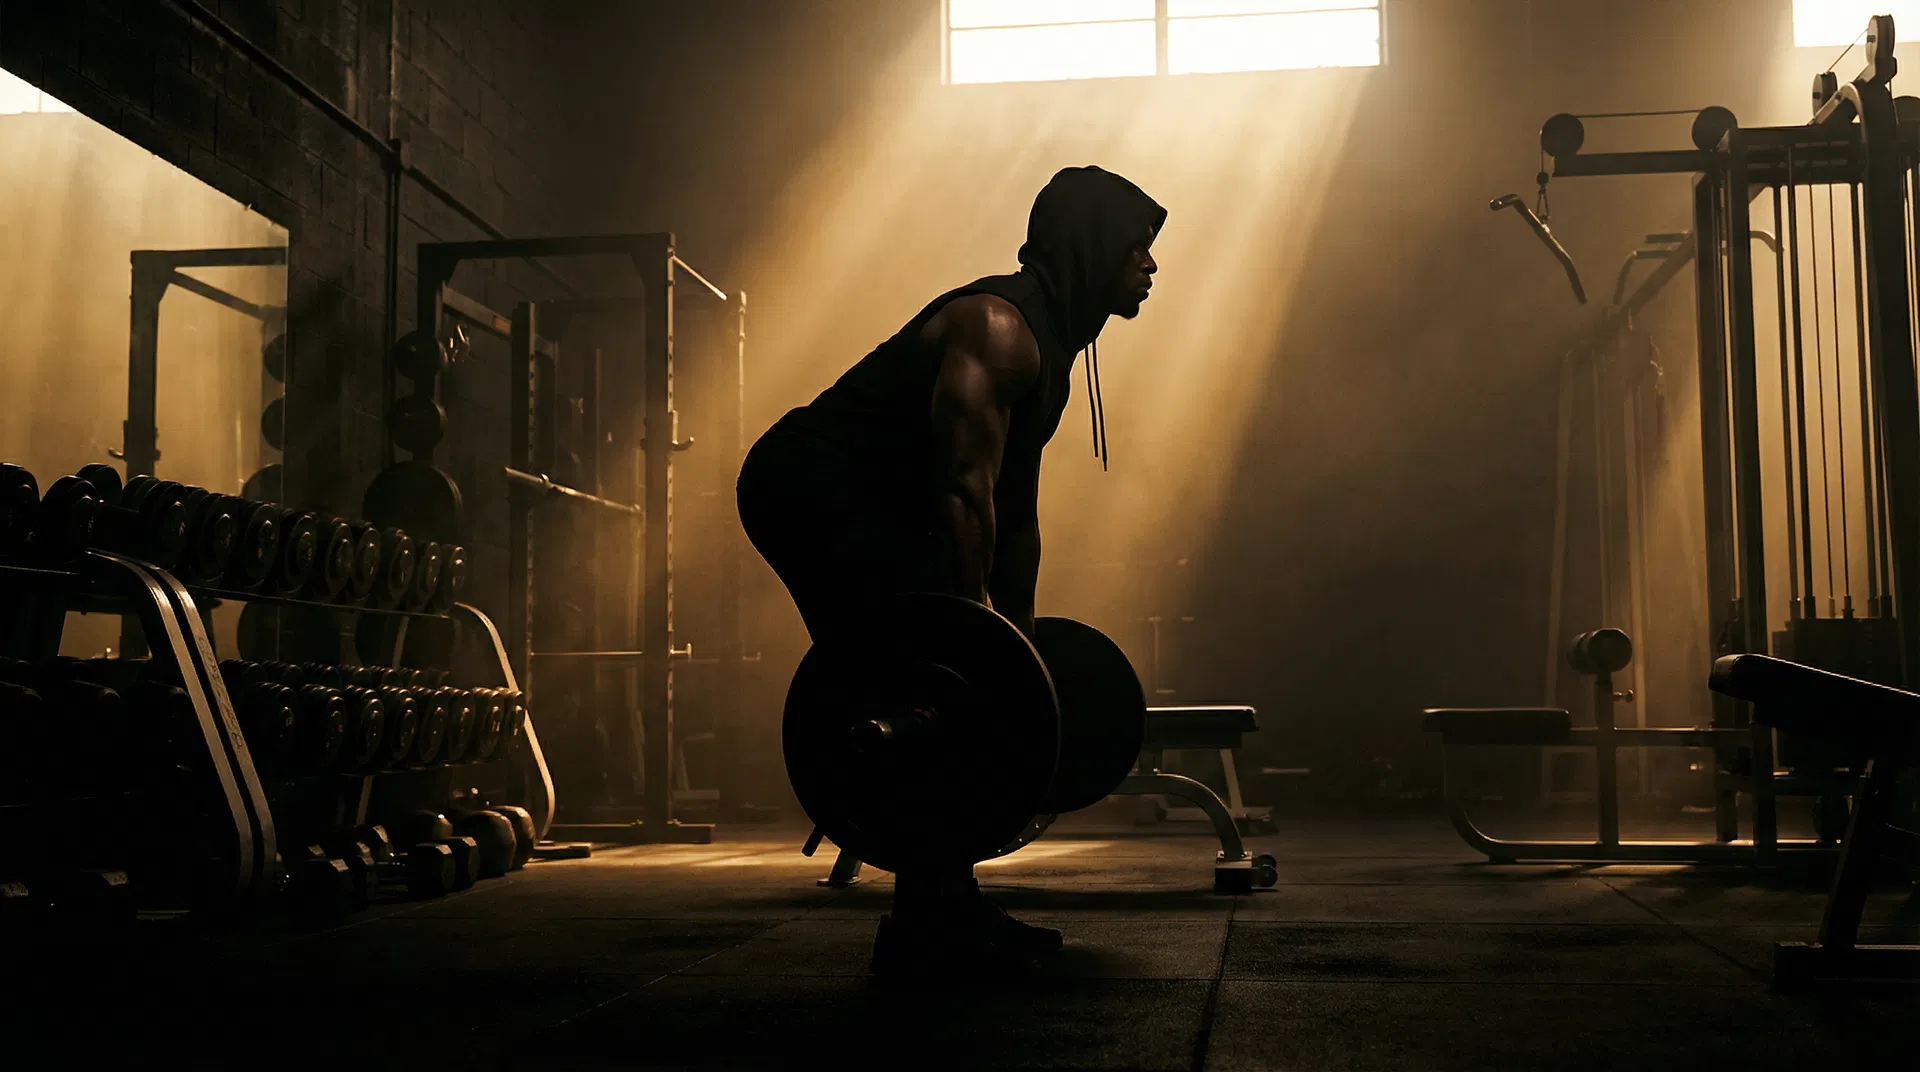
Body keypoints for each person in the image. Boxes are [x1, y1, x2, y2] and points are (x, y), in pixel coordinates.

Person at [736, 165, 1165, 976]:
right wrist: (974, 639)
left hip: (877, 501)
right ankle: (930, 925)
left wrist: (1021, 647)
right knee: (923, 690)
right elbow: (963, 494)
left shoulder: (1049, 353)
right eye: (1137, 248)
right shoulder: (998, 329)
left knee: (938, 687)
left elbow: (1018, 518)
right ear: (1092, 249)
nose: (1150, 266)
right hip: (809, 486)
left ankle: (936, 912)